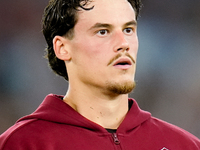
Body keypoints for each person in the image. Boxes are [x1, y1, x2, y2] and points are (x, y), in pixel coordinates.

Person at [0, 0, 200, 149]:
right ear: (62, 48)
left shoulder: (184, 145)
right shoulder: (23, 143)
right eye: (103, 31)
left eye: (129, 29)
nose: (124, 43)